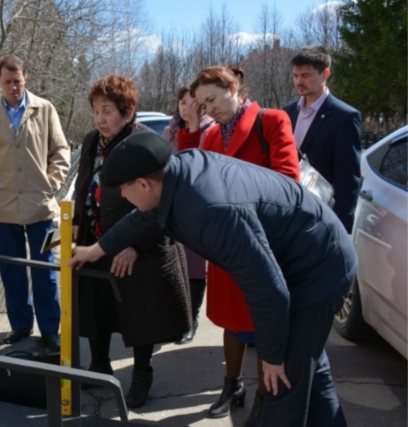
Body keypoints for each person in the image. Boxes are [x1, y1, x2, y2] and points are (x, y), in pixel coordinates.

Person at [69, 132, 354, 427]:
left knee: (283, 382)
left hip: (319, 267)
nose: (124, 199)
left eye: (124, 192)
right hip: (302, 256)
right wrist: (96, 250)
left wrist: (272, 355)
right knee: (309, 369)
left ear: (143, 183)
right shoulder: (174, 176)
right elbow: (143, 218)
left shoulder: (209, 210)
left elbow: (267, 288)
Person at [181, 66, 300, 425]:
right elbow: (191, 177)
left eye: (212, 100)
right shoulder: (213, 136)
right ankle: (232, 387)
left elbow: (288, 182)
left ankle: (266, 397)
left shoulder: (272, 121)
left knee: (264, 322)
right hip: (227, 247)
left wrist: (238, 204)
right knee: (233, 322)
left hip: (263, 244)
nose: (209, 110)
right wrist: (191, 128)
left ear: (233, 87)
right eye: (203, 104)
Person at [73, 75, 191, 408]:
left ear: (127, 111)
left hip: (138, 246)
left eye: (107, 110)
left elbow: (164, 204)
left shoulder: (146, 143)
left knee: (140, 313)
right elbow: (84, 186)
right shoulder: (92, 142)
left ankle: (142, 373)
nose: (100, 118)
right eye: (96, 110)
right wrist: (78, 226)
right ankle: (98, 364)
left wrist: (134, 245)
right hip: (97, 239)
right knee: (96, 305)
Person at [0, 55, 70, 351]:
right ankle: (20, 325)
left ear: (25, 78)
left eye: (18, 80)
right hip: (3, 211)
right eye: (7, 82)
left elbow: (61, 151)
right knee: (11, 271)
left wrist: (50, 183)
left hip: (42, 209)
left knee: (46, 271)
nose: (13, 87)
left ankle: (51, 329)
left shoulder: (45, 109)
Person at [283, 45, 362, 232]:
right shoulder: (287, 112)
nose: (299, 81)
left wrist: (339, 229)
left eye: (306, 76)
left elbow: (348, 179)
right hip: (287, 212)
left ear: (325, 74)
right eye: (295, 76)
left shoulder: (344, 116)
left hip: (321, 217)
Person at [162, 87, 215, 344]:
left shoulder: (211, 130)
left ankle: (191, 319)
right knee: (174, 265)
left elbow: (198, 163)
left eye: (191, 103)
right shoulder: (169, 131)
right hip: (173, 209)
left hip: (198, 210)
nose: (186, 108)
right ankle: (175, 318)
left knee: (195, 268)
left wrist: (194, 127)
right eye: (182, 102)